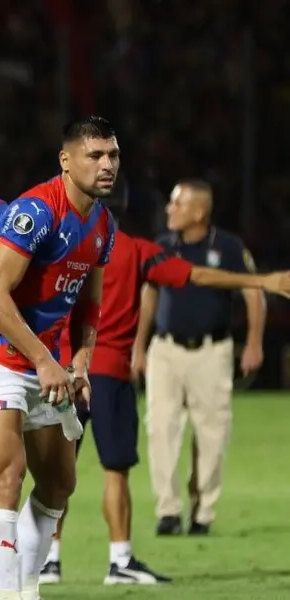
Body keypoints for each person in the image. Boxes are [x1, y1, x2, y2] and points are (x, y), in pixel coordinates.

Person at [41, 197, 290, 585]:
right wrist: (263, 281)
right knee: (115, 472)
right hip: (108, 374)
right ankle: (120, 560)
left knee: (55, 471)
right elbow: (197, 276)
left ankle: (46, 561)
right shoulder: (139, 251)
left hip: (61, 372)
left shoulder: (58, 245)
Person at [0, 116, 118, 600]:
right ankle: (7, 594)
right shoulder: (36, 211)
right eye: (95, 155)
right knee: (8, 478)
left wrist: (81, 358)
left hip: (46, 364)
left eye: (112, 155)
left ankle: (24, 587)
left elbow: (89, 298)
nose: (107, 164)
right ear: (66, 161)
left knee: (60, 485)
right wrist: (44, 360)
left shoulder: (103, 224)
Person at [138, 179, 264, 537]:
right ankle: (168, 511)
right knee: (160, 428)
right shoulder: (162, 247)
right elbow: (149, 295)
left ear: (199, 212)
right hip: (165, 350)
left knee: (211, 433)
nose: (169, 210)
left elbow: (254, 294)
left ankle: (203, 511)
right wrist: (138, 346)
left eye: (177, 204)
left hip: (211, 351)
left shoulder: (227, 247)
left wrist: (254, 343)